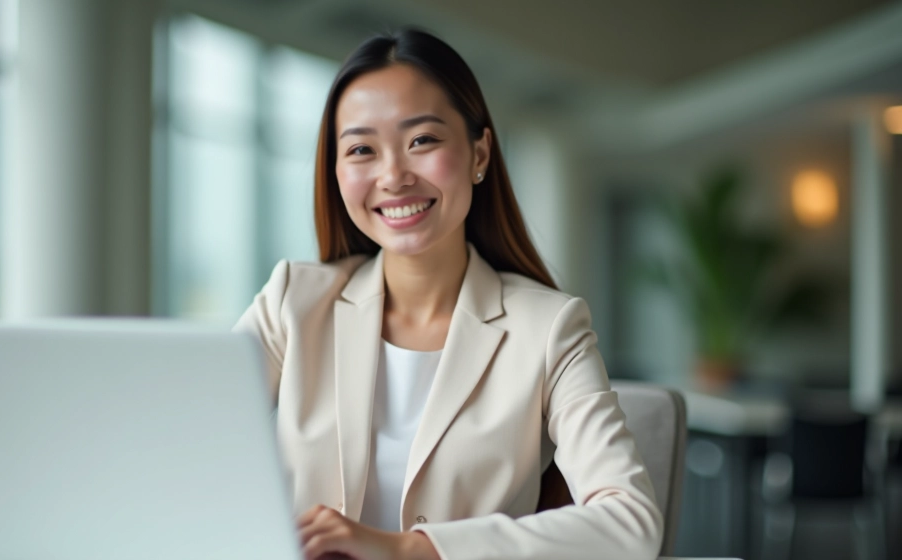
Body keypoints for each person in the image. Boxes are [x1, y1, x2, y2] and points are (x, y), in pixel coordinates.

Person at [234, 28, 662, 560]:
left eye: (422, 141)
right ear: (337, 171)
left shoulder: (550, 328)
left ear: (479, 152)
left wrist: (407, 549)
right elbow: (175, 440)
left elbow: (631, 522)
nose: (393, 176)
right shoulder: (292, 303)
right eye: (362, 149)